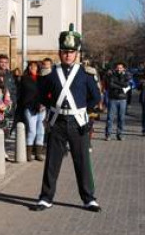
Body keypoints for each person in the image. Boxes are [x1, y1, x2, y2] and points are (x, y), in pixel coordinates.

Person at [34, 25, 102, 212]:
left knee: (82, 163)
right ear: (59, 52)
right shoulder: (51, 73)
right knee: (52, 162)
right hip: (57, 123)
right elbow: (41, 94)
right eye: (64, 51)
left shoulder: (85, 73)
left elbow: (96, 97)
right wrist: (52, 109)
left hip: (78, 123)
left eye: (71, 52)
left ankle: (89, 198)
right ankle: (46, 198)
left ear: (77, 53)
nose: (68, 55)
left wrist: (84, 110)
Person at [19, 61, 46, 159]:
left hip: (42, 108)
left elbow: (46, 92)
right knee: (32, 130)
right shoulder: (24, 79)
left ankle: (38, 152)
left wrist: (44, 103)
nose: (32, 68)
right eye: (30, 66)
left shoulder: (42, 79)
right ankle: (28, 153)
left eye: (34, 66)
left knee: (41, 130)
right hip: (30, 107)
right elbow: (25, 94)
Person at [104, 62, 132, 140]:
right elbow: (111, 85)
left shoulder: (126, 75)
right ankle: (108, 134)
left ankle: (120, 134)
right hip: (113, 98)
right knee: (110, 118)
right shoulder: (112, 75)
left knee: (121, 118)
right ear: (115, 68)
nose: (119, 69)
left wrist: (117, 83)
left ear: (123, 68)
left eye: (120, 67)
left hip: (123, 99)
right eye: (118, 67)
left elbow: (126, 85)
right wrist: (121, 86)